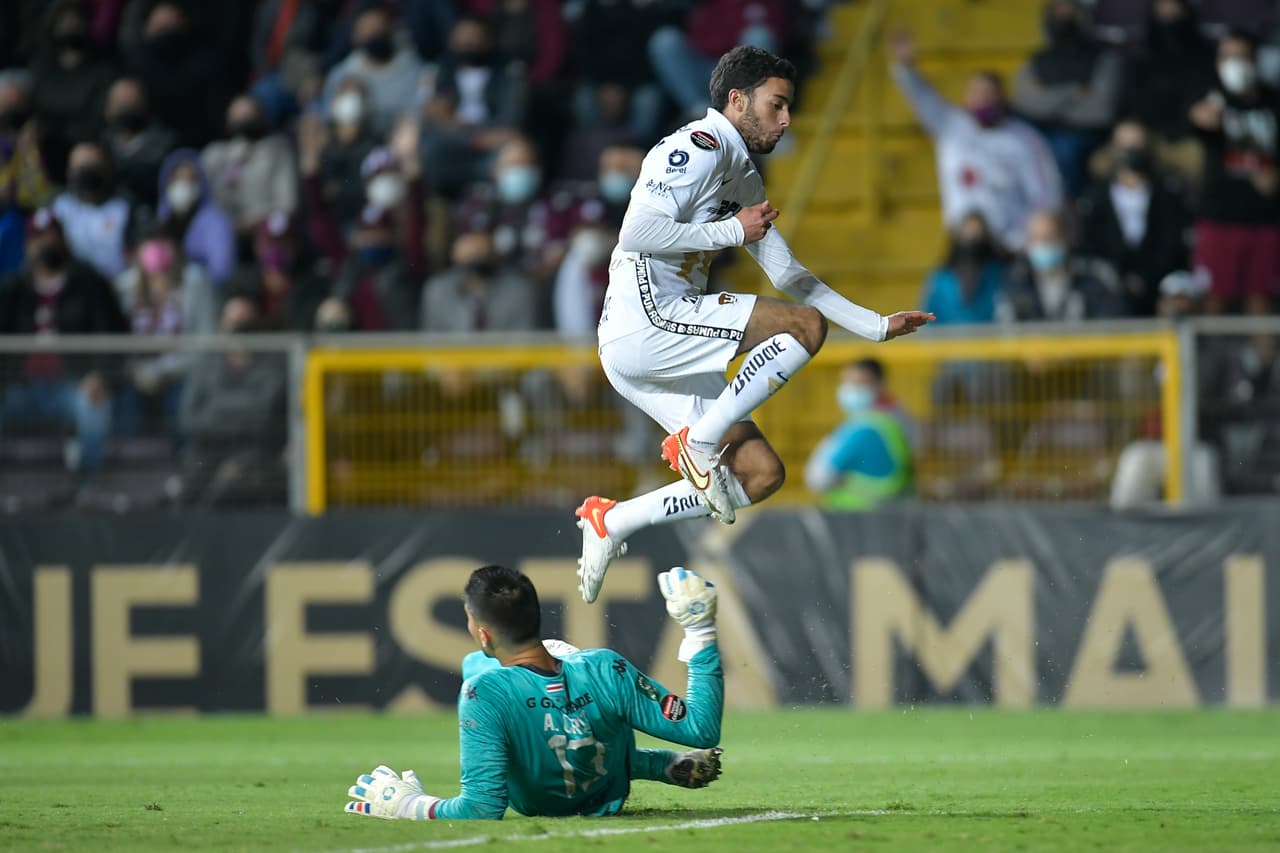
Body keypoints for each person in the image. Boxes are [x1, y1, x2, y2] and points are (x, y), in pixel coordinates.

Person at [574, 45, 932, 604]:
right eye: (776, 105)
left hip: (657, 345)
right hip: (648, 323)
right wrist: (731, 233)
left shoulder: (738, 168)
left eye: (789, 108)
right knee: (803, 328)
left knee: (760, 475)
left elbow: (786, 269)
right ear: (737, 100)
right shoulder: (699, 147)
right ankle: (704, 437)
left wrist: (875, 326)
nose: (786, 120)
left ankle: (613, 521)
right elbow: (639, 235)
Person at [342, 564, 723, 820]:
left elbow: (482, 808)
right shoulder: (607, 667)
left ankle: (655, 764)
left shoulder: (481, 690)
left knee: (476, 668)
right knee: (586, 684)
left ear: (483, 633)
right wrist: (700, 630)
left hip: (541, 802)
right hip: (608, 787)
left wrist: (410, 804)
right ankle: (655, 764)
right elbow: (701, 729)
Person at [890, 31, 1062, 249]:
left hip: (1010, 245)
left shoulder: (1024, 139)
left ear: (1002, 98)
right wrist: (906, 68)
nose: (981, 100)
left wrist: (1026, 237)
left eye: (988, 94)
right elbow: (923, 99)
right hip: (963, 243)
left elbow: (1045, 194)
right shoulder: (951, 127)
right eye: (976, 93)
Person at [0, 208, 127, 485]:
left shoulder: (88, 281)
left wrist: (99, 376)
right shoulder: (13, 288)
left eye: (52, 237)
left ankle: (86, 484)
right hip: (19, 387)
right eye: (38, 238)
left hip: (72, 385)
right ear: (27, 245)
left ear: (63, 241)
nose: (46, 244)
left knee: (93, 408)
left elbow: (113, 333)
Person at [1109, 271, 1221, 509]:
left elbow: (1215, 399)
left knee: (1203, 470)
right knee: (1134, 464)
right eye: (1170, 298)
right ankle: (1124, 540)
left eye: (1184, 299)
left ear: (1198, 305)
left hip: (1195, 443)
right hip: (1152, 442)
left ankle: (1212, 544)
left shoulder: (1212, 349)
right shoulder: (1145, 346)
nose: (1177, 306)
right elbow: (1129, 392)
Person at [1188, 30, 1280, 316]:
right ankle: (1209, 361)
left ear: (1254, 61)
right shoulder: (1210, 98)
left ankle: (1264, 362)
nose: (1233, 63)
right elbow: (1194, 128)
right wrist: (1199, 119)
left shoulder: (1273, 103)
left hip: (1266, 218)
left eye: (1240, 56)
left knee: (1261, 302)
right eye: (1226, 56)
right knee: (1215, 300)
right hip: (1219, 217)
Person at [178, 294, 287, 506]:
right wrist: (240, 410)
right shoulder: (205, 365)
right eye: (233, 321)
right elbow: (188, 418)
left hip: (254, 452)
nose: (239, 327)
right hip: (207, 451)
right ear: (221, 325)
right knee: (191, 480)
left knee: (234, 480)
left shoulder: (274, 364)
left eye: (245, 321)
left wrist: (216, 408)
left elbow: (264, 418)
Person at [1076, 118, 1191, 316]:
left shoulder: (1167, 192)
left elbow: (1172, 243)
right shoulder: (1095, 196)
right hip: (1110, 287)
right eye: (1125, 144)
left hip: (1158, 285)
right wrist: (1120, 277)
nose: (1131, 151)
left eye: (1137, 143)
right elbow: (1092, 244)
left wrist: (1145, 276)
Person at [1011, 0, 1121, 195]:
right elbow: (1026, 104)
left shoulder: (1103, 59)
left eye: (1069, 10)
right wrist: (1074, 93)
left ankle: (1068, 210)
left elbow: (1100, 110)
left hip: (1087, 136)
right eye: (1057, 11)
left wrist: (1047, 100)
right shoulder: (1035, 61)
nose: (1063, 17)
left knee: (1065, 149)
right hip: (1040, 134)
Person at [804, 358, 913, 510]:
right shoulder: (899, 418)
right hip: (892, 510)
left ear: (879, 385)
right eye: (847, 382)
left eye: (858, 384)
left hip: (853, 514)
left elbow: (818, 478)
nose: (850, 390)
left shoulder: (863, 427)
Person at [29, 0, 117, 177]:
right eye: (64, 24)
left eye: (76, 23)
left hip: (88, 150)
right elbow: (37, 114)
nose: (70, 29)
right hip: (46, 152)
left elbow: (97, 121)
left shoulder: (103, 72)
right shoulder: (41, 70)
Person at [201, 94, 299, 253]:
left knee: (278, 227)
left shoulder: (277, 150)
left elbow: (288, 203)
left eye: (248, 114)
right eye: (237, 115)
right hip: (226, 230)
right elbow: (207, 200)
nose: (243, 119)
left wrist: (255, 220)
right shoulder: (214, 154)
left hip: (267, 229)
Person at [997, 209, 1126, 322]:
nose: (1043, 244)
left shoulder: (1095, 279)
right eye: (1036, 238)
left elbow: (1111, 326)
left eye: (1049, 237)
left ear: (1065, 238)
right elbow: (1008, 332)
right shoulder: (1015, 282)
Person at [322, 3, 425, 138]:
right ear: (356, 35)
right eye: (367, 30)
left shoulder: (414, 70)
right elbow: (327, 120)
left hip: (399, 143)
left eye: (378, 29)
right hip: (353, 144)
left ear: (391, 30)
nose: (374, 35)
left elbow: (417, 115)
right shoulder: (342, 73)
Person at [421, 230, 535, 333]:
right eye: (469, 259)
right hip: (452, 355)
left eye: (481, 256)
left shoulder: (518, 291)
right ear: (455, 258)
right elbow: (431, 340)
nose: (475, 266)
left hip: (504, 355)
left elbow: (523, 343)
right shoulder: (437, 290)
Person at [51, 140, 132, 279]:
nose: (86, 173)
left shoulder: (124, 208)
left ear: (107, 169)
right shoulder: (60, 208)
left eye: (93, 166)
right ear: (69, 171)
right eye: (81, 167)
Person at [156, 149, 237, 287]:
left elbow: (222, 270)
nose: (183, 185)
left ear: (201, 185)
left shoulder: (215, 220)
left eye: (190, 180)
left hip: (203, 291)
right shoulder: (162, 217)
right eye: (177, 179)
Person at [102, 76, 178, 210]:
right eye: (119, 103)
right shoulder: (100, 145)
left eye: (131, 104)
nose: (125, 109)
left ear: (146, 105)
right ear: (107, 109)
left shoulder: (166, 146)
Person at [920, 211, 1007, 325]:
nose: (972, 246)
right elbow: (928, 323)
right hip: (948, 342)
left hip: (990, 341)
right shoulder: (940, 280)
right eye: (968, 239)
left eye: (977, 238)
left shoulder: (999, 277)